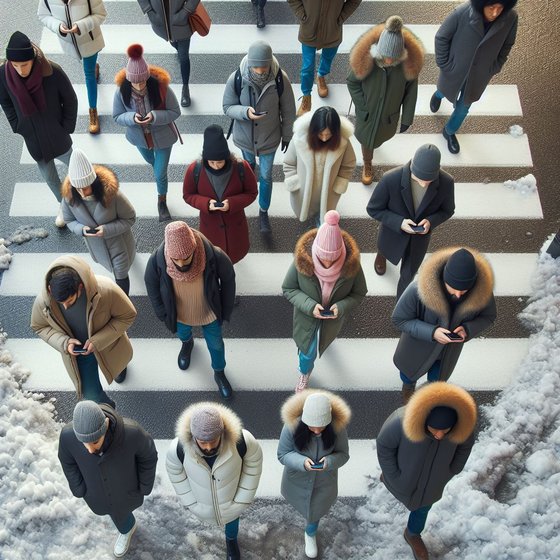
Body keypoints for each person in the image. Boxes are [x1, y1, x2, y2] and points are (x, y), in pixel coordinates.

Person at [377, 382, 477, 560]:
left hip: (433, 481)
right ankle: (388, 480)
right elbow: (384, 446)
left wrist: (455, 467)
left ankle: (413, 533)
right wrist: (392, 473)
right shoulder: (401, 421)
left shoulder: (462, 424)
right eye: (435, 429)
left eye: (445, 430)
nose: (439, 435)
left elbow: (466, 445)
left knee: (423, 508)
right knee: (396, 485)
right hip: (403, 475)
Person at [392, 247, 497, 403]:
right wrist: (432, 333)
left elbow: (488, 316)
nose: (459, 295)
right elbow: (399, 319)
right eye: (453, 288)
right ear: (444, 279)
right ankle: (408, 388)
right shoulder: (417, 289)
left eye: (465, 290)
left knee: (437, 381)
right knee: (408, 375)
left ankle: (428, 398)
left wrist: (467, 329)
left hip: (446, 354)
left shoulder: (482, 294)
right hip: (417, 348)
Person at [144, 221, 236, 398]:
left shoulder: (213, 255)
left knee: (216, 345)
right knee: (183, 334)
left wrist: (225, 309)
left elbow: (228, 279)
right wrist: (163, 313)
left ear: (194, 247)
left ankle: (219, 372)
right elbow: (151, 285)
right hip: (179, 314)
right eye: (176, 259)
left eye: (186, 258)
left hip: (209, 313)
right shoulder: (157, 259)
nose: (181, 263)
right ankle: (187, 344)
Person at [30, 256, 137, 405]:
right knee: (91, 394)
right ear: (49, 289)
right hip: (78, 354)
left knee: (118, 364)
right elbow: (39, 326)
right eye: (61, 303)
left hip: (108, 345)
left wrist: (98, 341)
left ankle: (119, 369)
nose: (66, 307)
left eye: (70, 301)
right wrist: (64, 343)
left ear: (79, 288)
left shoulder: (106, 290)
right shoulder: (44, 302)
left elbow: (127, 315)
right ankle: (107, 409)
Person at [59, 400, 158, 558]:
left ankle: (126, 528)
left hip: (127, 489)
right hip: (96, 493)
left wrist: (145, 485)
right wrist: (78, 488)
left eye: (95, 441)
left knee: (121, 512)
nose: (90, 449)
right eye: (84, 443)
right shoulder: (67, 436)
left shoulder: (133, 433)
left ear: (106, 425)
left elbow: (148, 457)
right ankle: (126, 528)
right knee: (114, 513)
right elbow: (67, 461)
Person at [282, 210, 367, 392]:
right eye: (322, 259)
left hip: (333, 319)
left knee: (323, 341)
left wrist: (342, 306)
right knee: (307, 352)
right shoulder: (302, 261)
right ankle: (304, 373)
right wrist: (310, 306)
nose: (327, 265)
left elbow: (359, 293)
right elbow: (288, 288)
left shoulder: (352, 265)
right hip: (307, 317)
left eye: (333, 260)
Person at [166, 402, 263, 560]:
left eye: (213, 440)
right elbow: (175, 473)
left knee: (232, 522)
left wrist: (241, 500)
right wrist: (191, 502)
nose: (209, 446)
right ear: (193, 436)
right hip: (203, 502)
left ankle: (231, 540)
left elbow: (254, 464)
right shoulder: (178, 448)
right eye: (203, 442)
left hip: (231, 499)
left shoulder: (242, 441)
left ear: (222, 433)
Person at [0, 31, 77, 227]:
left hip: (57, 134)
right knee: (50, 179)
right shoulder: (3, 75)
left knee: (77, 168)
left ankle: (90, 201)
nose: (19, 70)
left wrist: (66, 127)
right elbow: (6, 102)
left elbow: (70, 99)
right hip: (34, 139)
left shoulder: (52, 72)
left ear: (33, 59)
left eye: (23, 65)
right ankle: (64, 206)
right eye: (15, 65)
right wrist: (18, 126)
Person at [223, 40, 296, 233]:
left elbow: (289, 111)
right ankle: (246, 196)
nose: (261, 71)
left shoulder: (280, 79)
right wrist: (245, 112)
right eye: (256, 67)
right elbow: (227, 107)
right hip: (245, 139)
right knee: (247, 171)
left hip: (269, 139)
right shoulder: (237, 78)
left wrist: (287, 136)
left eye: (264, 66)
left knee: (266, 176)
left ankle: (263, 211)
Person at [366, 144, 455, 299]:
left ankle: (401, 304)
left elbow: (448, 210)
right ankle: (381, 256)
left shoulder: (446, 182)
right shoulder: (390, 178)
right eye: (419, 179)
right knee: (385, 249)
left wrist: (430, 221)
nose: (423, 184)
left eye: (429, 181)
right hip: (392, 232)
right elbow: (373, 209)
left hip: (419, 239)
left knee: (408, 275)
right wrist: (399, 222)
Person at [431, 0, 519, 154]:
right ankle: (438, 95)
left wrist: (495, 66)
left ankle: (449, 132)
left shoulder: (511, 18)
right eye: (491, 7)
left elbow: (507, 44)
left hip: (479, 76)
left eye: (500, 8)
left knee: (464, 107)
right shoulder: (462, 12)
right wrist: (444, 64)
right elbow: (441, 37)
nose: (495, 13)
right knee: (445, 89)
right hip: (455, 70)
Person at [347, 16, 424, 185]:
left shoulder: (406, 67)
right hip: (367, 114)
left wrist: (406, 118)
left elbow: (411, 93)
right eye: (386, 56)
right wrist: (363, 106)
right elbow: (352, 82)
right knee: (367, 140)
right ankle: (368, 163)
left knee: (379, 137)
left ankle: (372, 149)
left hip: (388, 116)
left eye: (393, 57)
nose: (389, 60)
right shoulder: (367, 62)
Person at [277, 390, 350, 559]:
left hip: (324, 483)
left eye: (322, 426)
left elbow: (343, 454)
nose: (317, 430)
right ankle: (310, 528)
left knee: (314, 512)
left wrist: (329, 462)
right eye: (312, 426)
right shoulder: (292, 426)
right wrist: (302, 462)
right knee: (305, 507)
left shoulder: (338, 428)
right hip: (297, 480)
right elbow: (283, 454)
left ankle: (310, 533)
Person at [113, 43, 181, 222]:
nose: (138, 85)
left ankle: (162, 201)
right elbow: (117, 116)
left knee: (160, 173)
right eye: (134, 81)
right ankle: (160, 177)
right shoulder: (121, 92)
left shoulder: (161, 88)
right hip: (140, 139)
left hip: (163, 138)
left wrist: (154, 116)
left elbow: (175, 112)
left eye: (142, 80)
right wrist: (132, 118)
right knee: (151, 162)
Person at [61, 148, 137, 296]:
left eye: (85, 188)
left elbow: (130, 218)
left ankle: (123, 305)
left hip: (118, 246)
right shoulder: (69, 197)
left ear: (93, 183)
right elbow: (69, 220)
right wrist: (82, 229)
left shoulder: (113, 195)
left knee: (121, 277)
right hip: (97, 247)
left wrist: (107, 230)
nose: (82, 193)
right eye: (77, 188)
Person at [183, 125, 258, 264]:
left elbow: (252, 192)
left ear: (227, 157)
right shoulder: (195, 169)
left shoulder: (242, 167)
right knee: (213, 259)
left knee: (232, 260)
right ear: (205, 159)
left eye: (220, 162)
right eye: (211, 162)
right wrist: (206, 204)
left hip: (235, 228)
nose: (216, 166)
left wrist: (232, 203)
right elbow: (188, 195)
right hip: (210, 228)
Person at [38, 0, 106, 134]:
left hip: (89, 43)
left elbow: (101, 14)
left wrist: (80, 26)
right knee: (87, 66)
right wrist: (58, 26)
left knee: (89, 75)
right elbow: (43, 15)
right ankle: (93, 67)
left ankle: (93, 111)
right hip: (70, 45)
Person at [283, 106, 356, 224]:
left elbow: (348, 165)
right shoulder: (299, 139)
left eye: (329, 134)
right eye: (321, 134)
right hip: (304, 189)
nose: (324, 138)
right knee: (306, 209)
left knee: (323, 220)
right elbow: (289, 163)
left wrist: (341, 181)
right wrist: (293, 181)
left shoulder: (343, 143)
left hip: (328, 190)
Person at [288, 0, 362, 117]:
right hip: (309, 28)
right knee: (307, 67)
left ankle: (321, 75)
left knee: (328, 57)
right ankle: (306, 96)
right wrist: (302, 15)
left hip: (332, 30)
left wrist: (340, 18)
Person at [136, 0, 200, 107]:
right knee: (173, 43)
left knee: (183, 56)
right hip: (161, 21)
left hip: (182, 20)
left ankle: (185, 88)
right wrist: (149, 11)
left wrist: (185, 12)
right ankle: (175, 44)